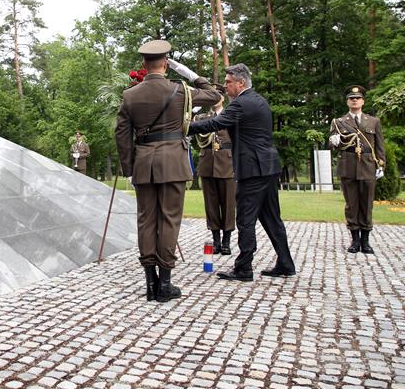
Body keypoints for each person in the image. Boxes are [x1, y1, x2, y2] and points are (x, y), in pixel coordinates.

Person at [115, 39, 221, 302]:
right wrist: (189, 73)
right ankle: (165, 284)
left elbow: (121, 135)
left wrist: (129, 168)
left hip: (143, 164)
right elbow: (215, 95)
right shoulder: (181, 91)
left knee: (146, 220)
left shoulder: (130, 95)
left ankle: (150, 284)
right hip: (173, 162)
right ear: (165, 63)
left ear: (143, 64)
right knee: (169, 220)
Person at [187, 63, 295, 282]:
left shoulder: (241, 104)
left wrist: (182, 127)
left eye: (228, 82)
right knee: (272, 218)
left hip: (252, 169)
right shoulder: (260, 101)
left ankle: (244, 268)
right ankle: (285, 263)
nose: (225, 86)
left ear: (241, 83)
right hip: (269, 166)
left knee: (245, 219)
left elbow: (215, 124)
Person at [328, 85, 386, 255]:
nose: (355, 100)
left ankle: (366, 241)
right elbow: (332, 144)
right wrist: (334, 141)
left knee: (367, 204)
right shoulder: (338, 122)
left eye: (358, 98)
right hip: (348, 166)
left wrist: (381, 165)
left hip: (368, 166)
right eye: (351, 98)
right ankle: (355, 240)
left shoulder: (373, 121)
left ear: (363, 101)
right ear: (347, 102)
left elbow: (380, 146)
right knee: (351, 204)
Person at [193, 91, 236, 256]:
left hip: (227, 163)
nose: (213, 99)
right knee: (211, 204)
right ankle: (216, 240)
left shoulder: (231, 115)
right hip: (207, 164)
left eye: (216, 95)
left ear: (222, 98)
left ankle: (226, 241)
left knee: (228, 204)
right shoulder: (202, 116)